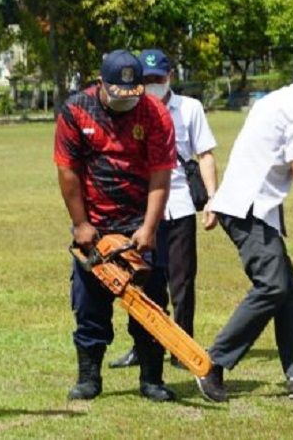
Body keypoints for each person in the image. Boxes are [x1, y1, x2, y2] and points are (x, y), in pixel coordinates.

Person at [194, 54, 293, 402]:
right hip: (248, 209)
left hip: (243, 205)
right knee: (273, 285)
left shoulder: (279, 98)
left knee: (287, 288)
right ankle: (211, 363)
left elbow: (278, 147)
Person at [54, 49, 178, 402]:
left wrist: (150, 228)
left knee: (151, 302)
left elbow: (160, 174)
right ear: (101, 83)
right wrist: (81, 223)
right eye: (118, 96)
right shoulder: (76, 110)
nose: (126, 103)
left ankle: (152, 378)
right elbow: (68, 171)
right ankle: (88, 378)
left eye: (133, 95)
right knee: (90, 303)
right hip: (95, 223)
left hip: (142, 220)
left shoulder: (155, 113)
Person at [108, 49, 219, 370]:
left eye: (158, 79)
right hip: (139, 211)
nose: (153, 85)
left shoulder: (190, 108)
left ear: (170, 76)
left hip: (180, 205)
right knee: (139, 280)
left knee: (182, 283)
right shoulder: (128, 109)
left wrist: (212, 198)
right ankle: (142, 346)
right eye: (147, 80)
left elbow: (205, 154)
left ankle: (182, 347)